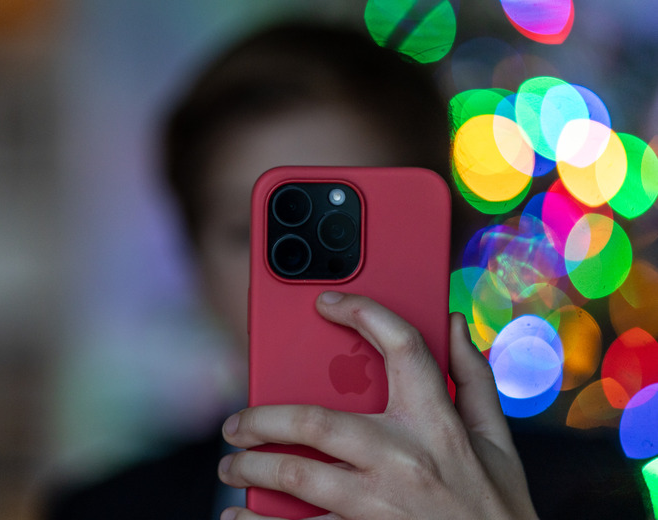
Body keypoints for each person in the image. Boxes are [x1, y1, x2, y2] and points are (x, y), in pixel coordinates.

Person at [46, 20, 647, 520]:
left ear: (442, 241)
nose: (315, 290)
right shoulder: (101, 511)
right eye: (249, 232)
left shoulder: (591, 493)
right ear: (194, 266)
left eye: (349, 229)